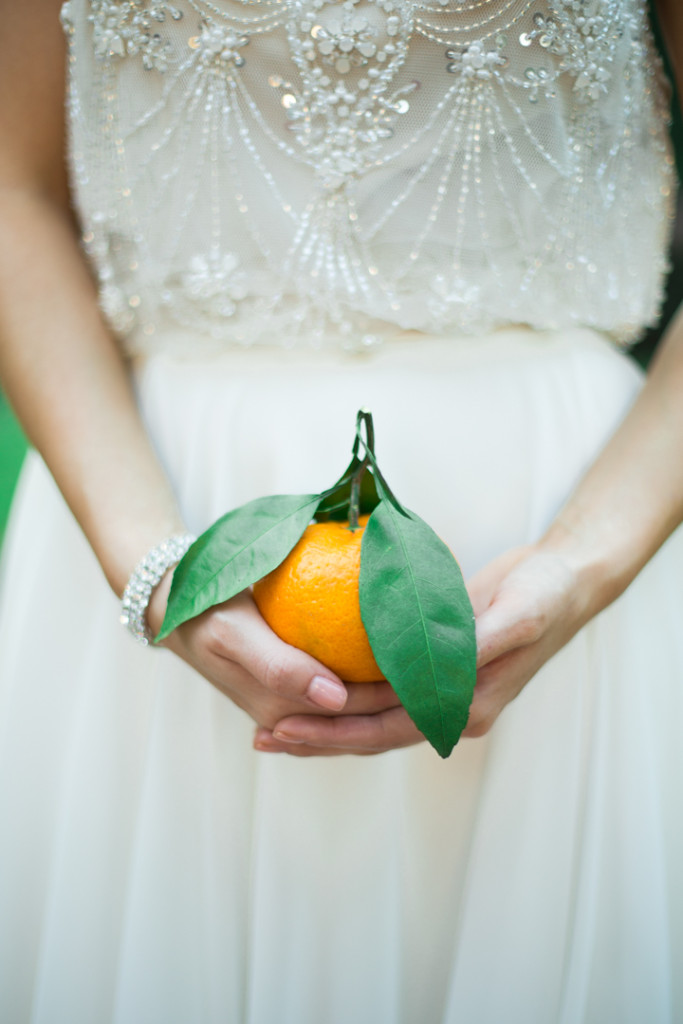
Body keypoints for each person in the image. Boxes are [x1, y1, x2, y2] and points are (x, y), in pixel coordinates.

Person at [1, 0, 682, 1020]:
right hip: (159, 503)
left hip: (574, 518)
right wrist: (149, 565)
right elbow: (12, 180)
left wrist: (586, 560)